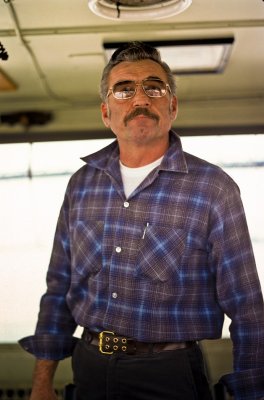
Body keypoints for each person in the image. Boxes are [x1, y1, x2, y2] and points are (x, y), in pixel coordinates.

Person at [19, 41, 264, 400]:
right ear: (106, 112)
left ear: (172, 106)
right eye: (124, 89)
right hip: (88, 367)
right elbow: (58, 287)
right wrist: (42, 381)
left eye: (154, 87)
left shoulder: (213, 188)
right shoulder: (82, 185)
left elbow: (246, 306)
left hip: (169, 375)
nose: (139, 99)